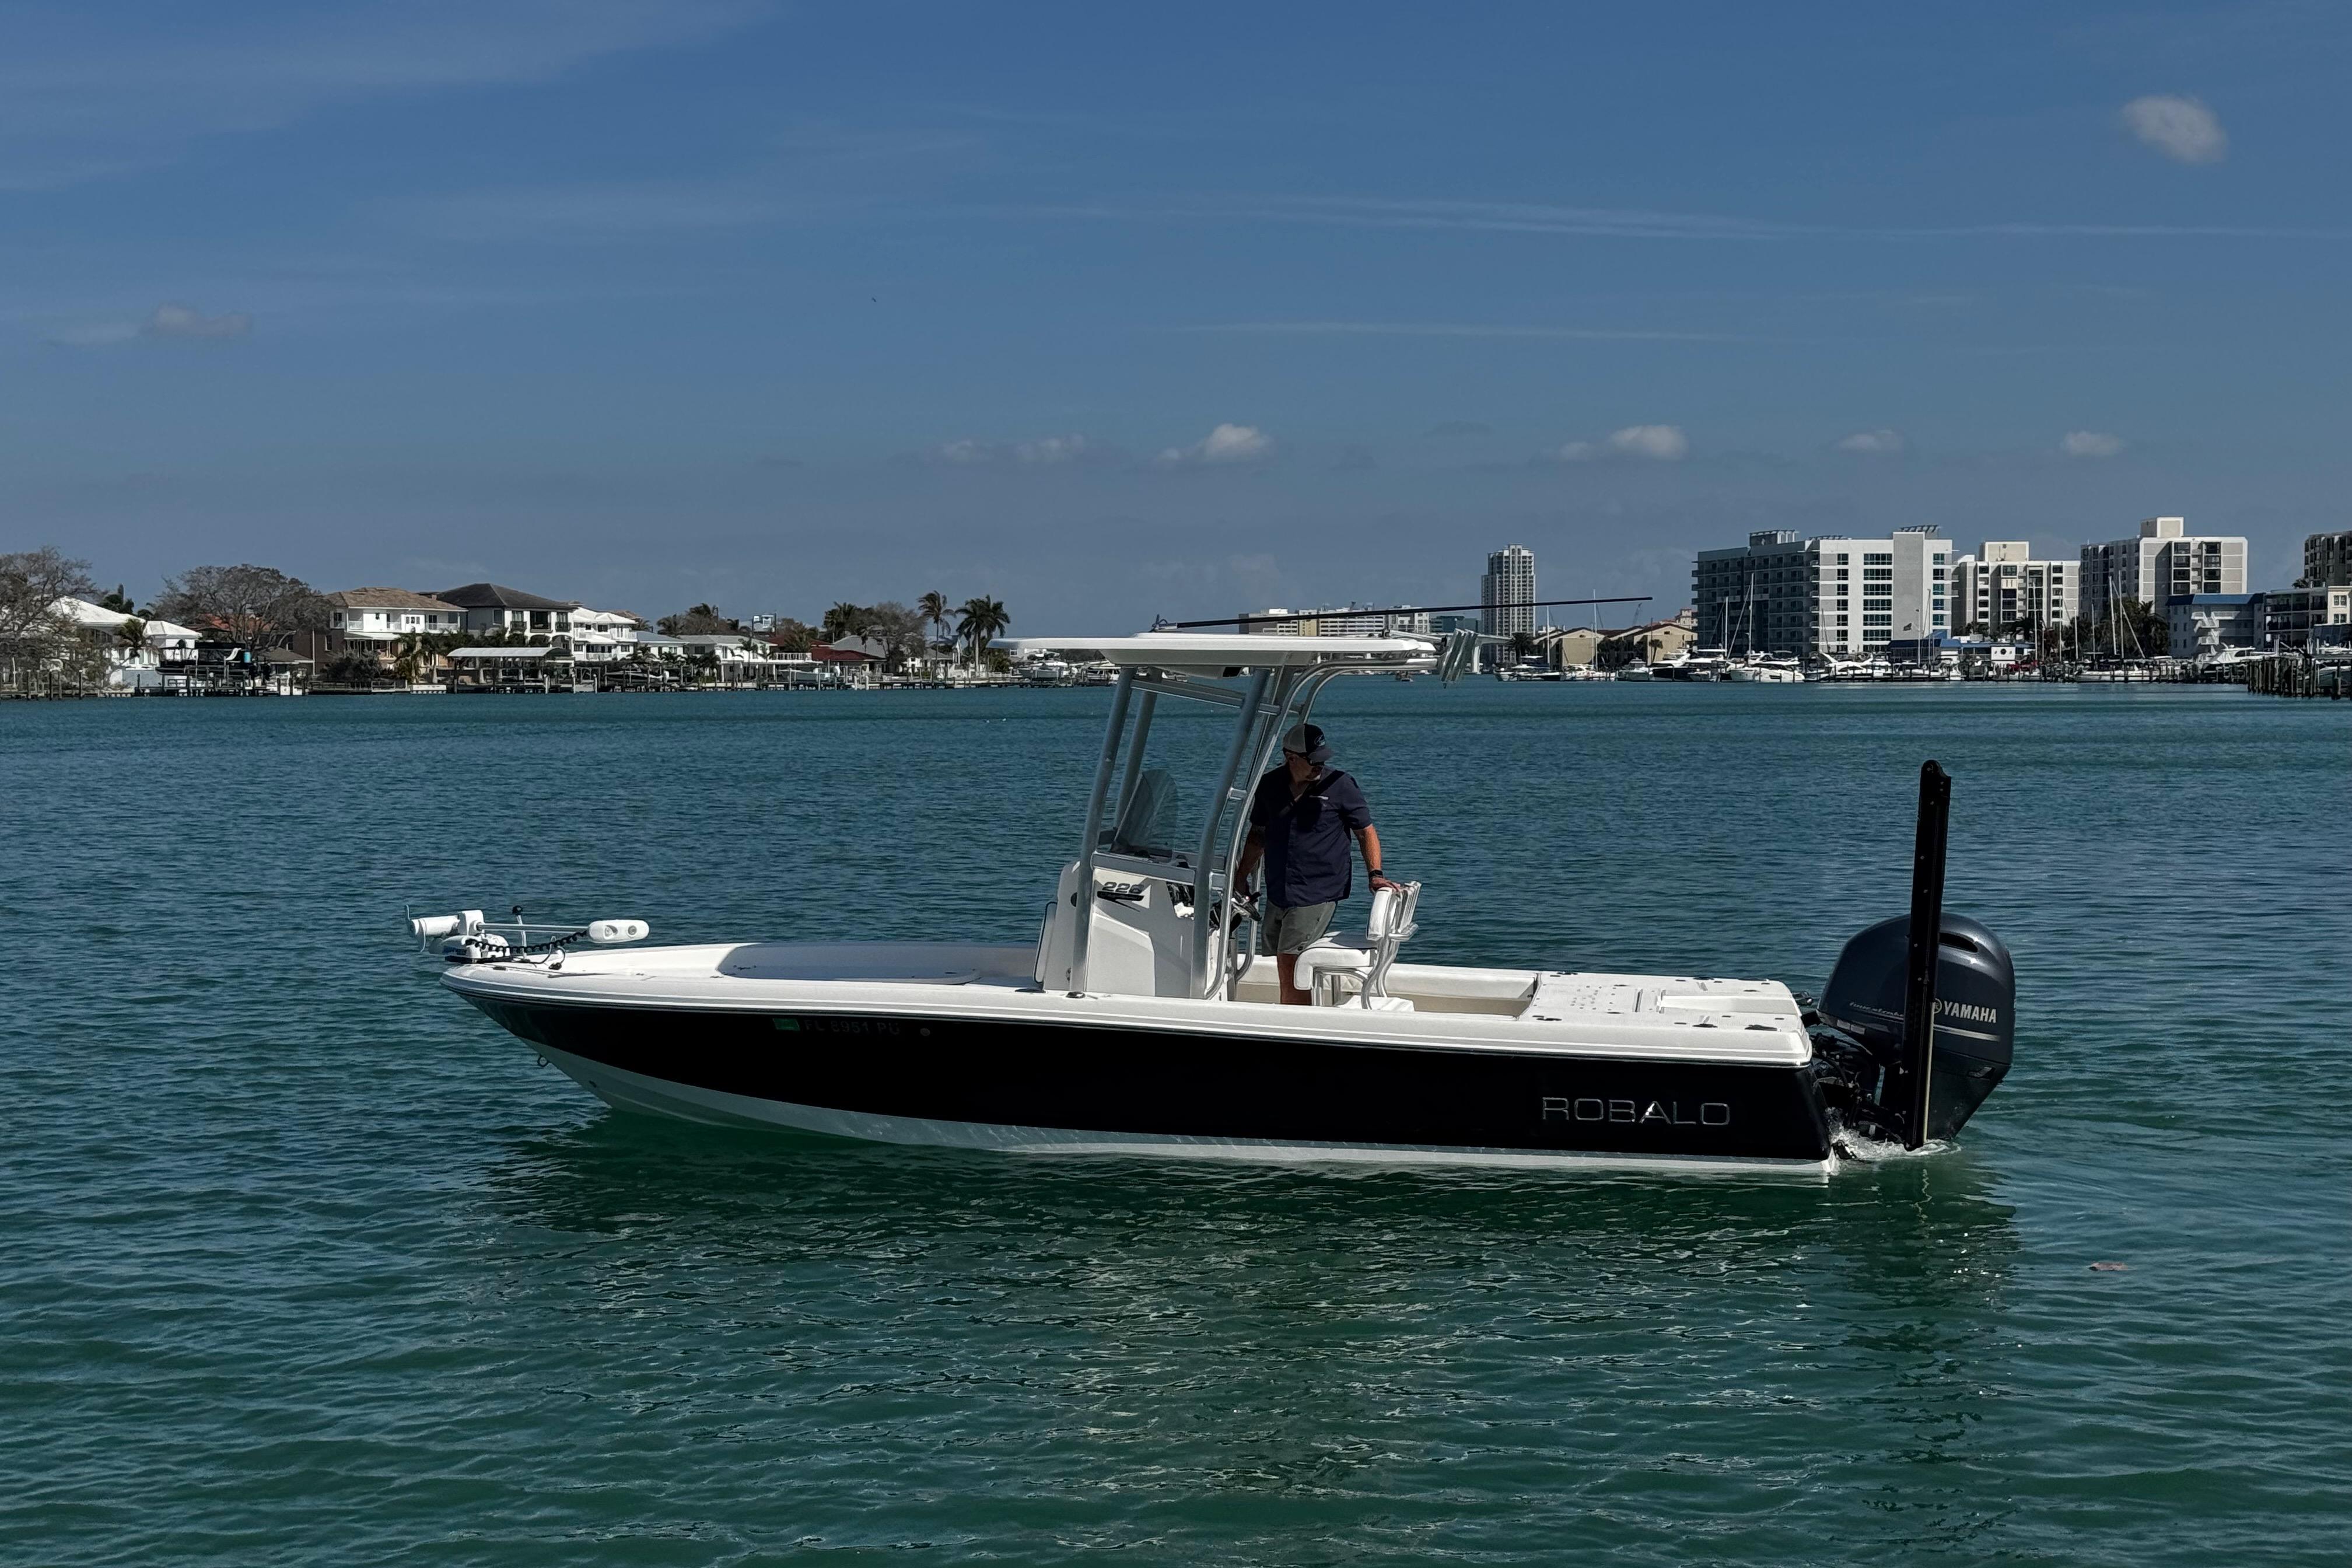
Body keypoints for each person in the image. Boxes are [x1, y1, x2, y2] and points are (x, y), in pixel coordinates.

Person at [1236, 722, 1397, 1005]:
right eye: (1313, 761)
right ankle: (1296, 1014)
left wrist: (1375, 874)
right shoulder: (1270, 786)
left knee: (1292, 960)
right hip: (1278, 889)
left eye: (1323, 760)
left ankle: (1293, 1024)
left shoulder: (1341, 785)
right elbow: (1257, 836)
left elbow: (1366, 831)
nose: (1319, 767)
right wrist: (1240, 877)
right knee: (1281, 959)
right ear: (1291, 758)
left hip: (1318, 890)